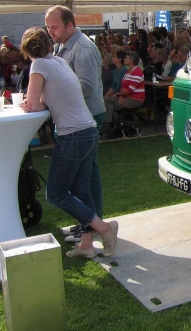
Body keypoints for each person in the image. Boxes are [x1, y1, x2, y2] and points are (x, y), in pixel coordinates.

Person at [18, 27, 118, 259]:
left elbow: (32, 103)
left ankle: (103, 228)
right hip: (88, 130)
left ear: (26, 49)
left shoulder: (39, 65)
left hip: (72, 135)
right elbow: (48, 101)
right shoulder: (58, 62)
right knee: (82, 190)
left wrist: (28, 102)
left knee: (56, 194)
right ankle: (86, 244)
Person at [45, 5, 106, 244]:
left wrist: (55, 97)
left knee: (88, 174)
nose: (50, 31)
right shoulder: (64, 45)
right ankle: (89, 224)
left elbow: (88, 87)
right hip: (79, 120)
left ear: (69, 25)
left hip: (87, 118)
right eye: (48, 27)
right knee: (84, 175)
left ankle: (94, 223)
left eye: (55, 27)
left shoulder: (82, 48)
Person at [100, 51, 145, 133]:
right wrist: (120, 96)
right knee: (106, 100)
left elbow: (130, 89)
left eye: (126, 58)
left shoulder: (137, 72)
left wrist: (119, 95)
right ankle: (113, 125)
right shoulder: (128, 71)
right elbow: (122, 86)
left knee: (111, 106)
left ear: (132, 60)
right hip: (125, 96)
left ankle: (113, 125)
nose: (124, 59)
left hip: (135, 99)